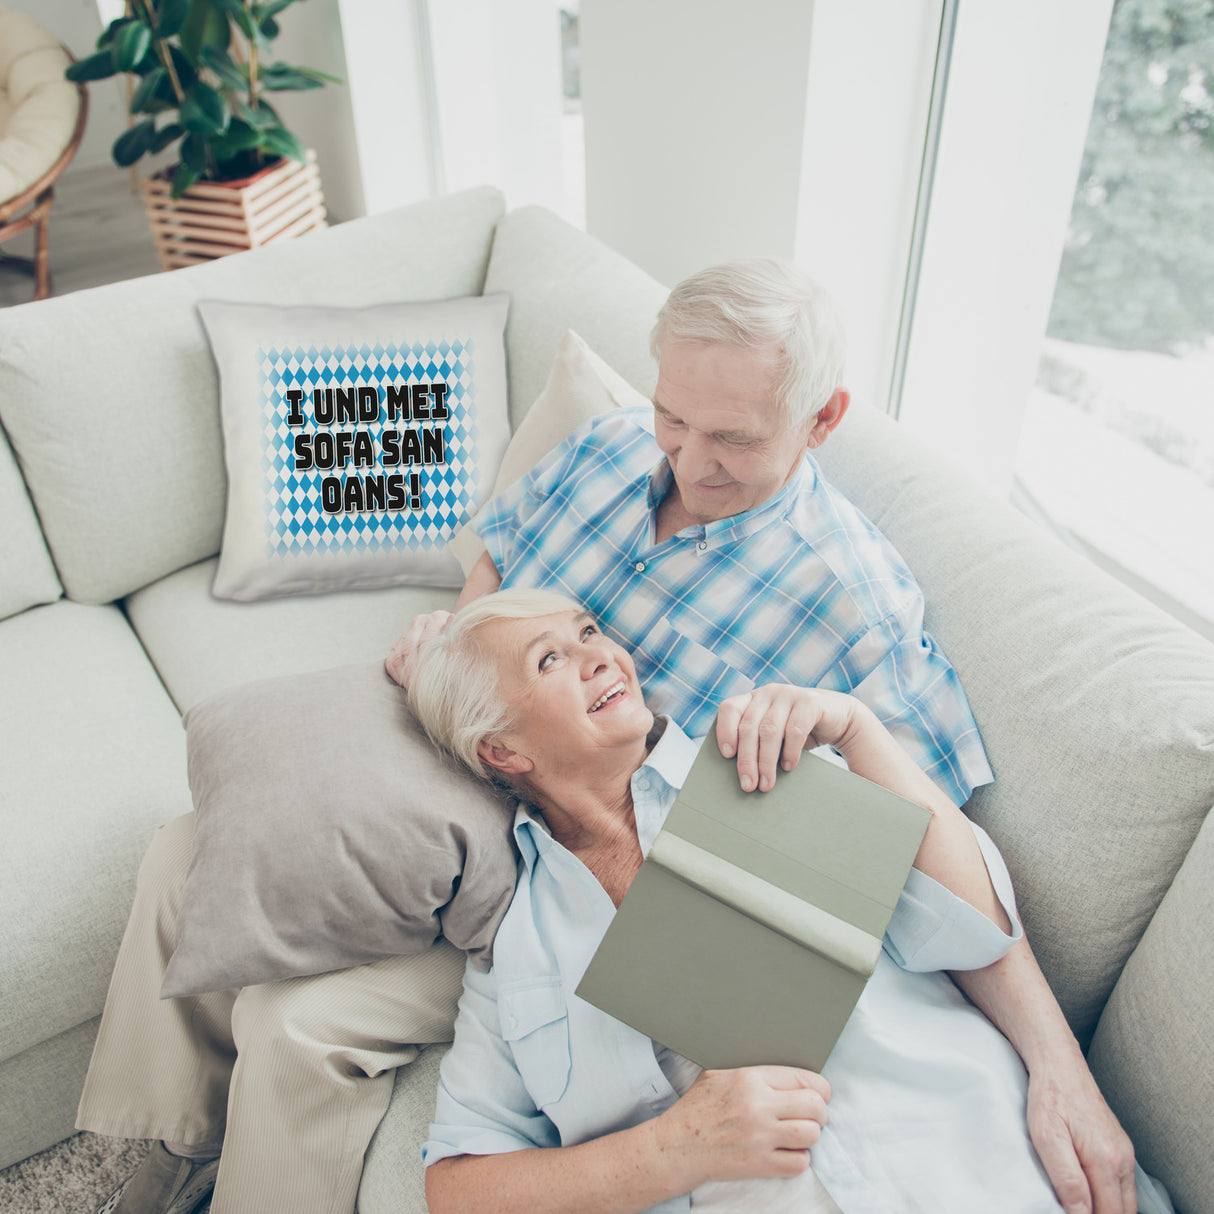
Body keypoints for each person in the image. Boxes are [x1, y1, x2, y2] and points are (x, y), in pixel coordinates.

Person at [79, 260, 1131, 1214]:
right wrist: (455, 644)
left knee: (298, 1024)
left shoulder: (855, 609)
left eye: (733, 439)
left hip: (576, 858)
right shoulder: (607, 448)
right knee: (188, 851)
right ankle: (170, 1145)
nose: (689, 459)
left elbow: (932, 864)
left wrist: (1059, 1066)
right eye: (674, 416)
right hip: (483, 751)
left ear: (821, 420)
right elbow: (498, 563)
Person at [407, 588, 1159, 1214]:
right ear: (502, 750)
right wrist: (675, 1149)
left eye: (589, 632)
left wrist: (857, 729)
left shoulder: (762, 763)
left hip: (982, 1165)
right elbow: (457, 1188)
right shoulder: (516, 949)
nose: (600, 655)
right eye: (549, 660)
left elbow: (975, 929)